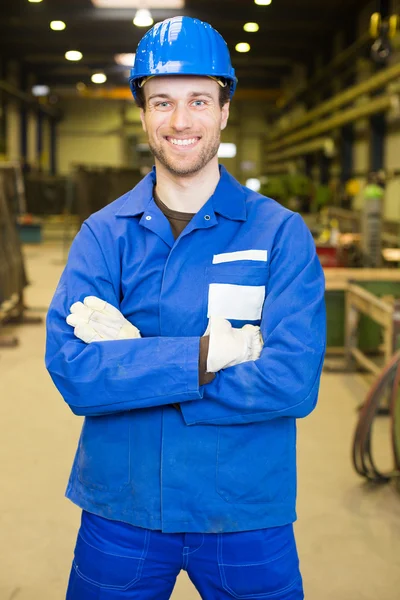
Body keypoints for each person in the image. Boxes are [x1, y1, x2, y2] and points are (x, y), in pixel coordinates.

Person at [45, 15, 326, 600]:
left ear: (224, 111)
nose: (180, 121)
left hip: (245, 510)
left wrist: (136, 370)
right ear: (144, 114)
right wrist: (206, 357)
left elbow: (293, 382)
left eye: (199, 100)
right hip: (123, 506)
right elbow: (75, 374)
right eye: (161, 102)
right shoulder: (104, 236)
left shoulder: (280, 234)